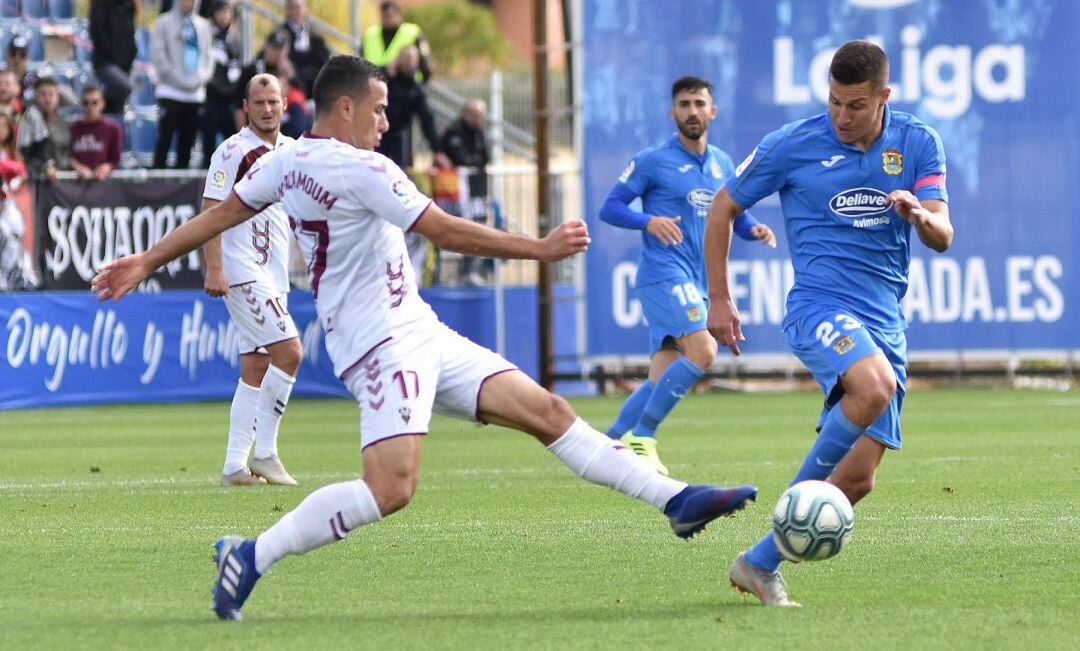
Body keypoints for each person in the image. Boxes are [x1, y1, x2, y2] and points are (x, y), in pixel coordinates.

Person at [91, 55, 758, 622]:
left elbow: (225, 211)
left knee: (548, 412)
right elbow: (442, 230)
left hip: (416, 329)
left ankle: (674, 500)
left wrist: (145, 262)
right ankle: (251, 553)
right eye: (379, 110)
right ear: (346, 108)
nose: (387, 122)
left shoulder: (286, 161)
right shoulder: (363, 169)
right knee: (390, 488)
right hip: (379, 346)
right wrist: (540, 247)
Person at [705, 41, 953, 606]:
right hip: (818, 306)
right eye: (835, 102)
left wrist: (918, 215)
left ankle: (757, 565)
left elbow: (944, 233)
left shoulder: (917, 142)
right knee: (874, 385)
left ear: (884, 97)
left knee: (859, 479)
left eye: (856, 105)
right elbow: (723, 207)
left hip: (884, 321)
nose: (842, 116)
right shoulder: (793, 144)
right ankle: (793, 501)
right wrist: (719, 299)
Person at [599, 76, 776, 475]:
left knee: (660, 376)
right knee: (704, 350)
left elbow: (735, 213)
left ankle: (607, 446)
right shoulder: (653, 160)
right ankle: (642, 438)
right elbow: (610, 208)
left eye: (699, 103)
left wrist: (754, 229)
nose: (692, 111)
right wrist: (648, 221)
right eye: (684, 104)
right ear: (672, 112)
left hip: (695, 281)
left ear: (712, 111)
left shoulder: (722, 164)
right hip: (664, 275)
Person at [201, 74, 300, 487]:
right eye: (258, 102)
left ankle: (233, 467)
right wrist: (215, 267)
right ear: (246, 106)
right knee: (290, 353)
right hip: (242, 271)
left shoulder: (295, 151)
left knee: (257, 364)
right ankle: (266, 453)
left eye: (272, 101)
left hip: (274, 273)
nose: (266, 109)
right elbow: (210, 208)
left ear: (283, 105)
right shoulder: (232, 151)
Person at [150, 0, 214, 169]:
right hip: (170, 90)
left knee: (188, 140)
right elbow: (158, 54)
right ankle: (158, 179)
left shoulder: (203, 25)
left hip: (194, 93)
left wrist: (200, 78)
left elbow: (208, 56)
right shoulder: (163, 22)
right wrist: (174, 77)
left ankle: (182, 180)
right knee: (165, 137)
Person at [440, 98, 490, 285]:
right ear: (465, 113)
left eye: (480, 116)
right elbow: (462, 159)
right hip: (457, 193)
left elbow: (485, 157)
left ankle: (470, 271)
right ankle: (446, 275)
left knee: (479, 227)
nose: (478, 120)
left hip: (477, 189)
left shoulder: (479, 133)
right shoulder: (454, 132)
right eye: (475, 115)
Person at [375, 46, 439, 169]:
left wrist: (436, 149)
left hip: (397, 138)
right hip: (377, 132)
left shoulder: (414, 88)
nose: (407, 62)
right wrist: (387, 75)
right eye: (405, 57)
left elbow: (426, 119)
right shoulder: (382, 75)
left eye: (411, 58)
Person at [200, 0, 241, 167]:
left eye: (226, 12)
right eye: (220, 12)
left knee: (232, 139)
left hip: (228, 98)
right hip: (211, 96)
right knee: (208, 139)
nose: (223, 16)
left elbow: (235, 67)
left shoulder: (234, 39)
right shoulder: (207, 35)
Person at [234, 30, 294, 130]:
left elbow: (302, 94)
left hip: (281, 124)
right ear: (266, 46)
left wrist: (289, 76)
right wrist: (242, 133)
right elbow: (238, 105)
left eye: (280, 48)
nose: (277, 52)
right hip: (255, 126)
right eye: (274, 48)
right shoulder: (252, 70)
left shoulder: (286, 69)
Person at [89, 0, 140, 116]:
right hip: (105, 61)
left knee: (119, 106)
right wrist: (113, 53)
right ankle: (103, 114)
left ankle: (112, 126)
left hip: (125, 62)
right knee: (124, 87)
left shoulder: (128, 5)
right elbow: (97, 33)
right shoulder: (100, 4)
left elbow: (130, 31)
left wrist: (132, 52)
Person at [361, 0, 431, 83]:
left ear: (398, 14)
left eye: (390, 14)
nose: (388, 18)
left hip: (406, 85)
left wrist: (421, 83)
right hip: (376, 85)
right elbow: (361, 61)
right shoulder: (370, 34)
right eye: (385, 15)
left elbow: (424, 62)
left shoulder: (412, 32)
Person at [18, 77, 71, 181]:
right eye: (43, 94)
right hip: (37, 181)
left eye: (51, 94)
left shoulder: (65, 124)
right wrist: (44, 166)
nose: (47, 99)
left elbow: (69, 153)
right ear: (36, 97)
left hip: (64, 180)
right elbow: (24, 153)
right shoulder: (28, 122)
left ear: (58, 97)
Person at [70, 85, 124, 181]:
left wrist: (107, 167)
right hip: (78, 184)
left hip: (104, 183)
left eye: (94, 102)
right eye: (86, 102)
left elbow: (115, 159)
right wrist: (78, 167)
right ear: (81, 104)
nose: (90, 107)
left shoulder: (113, 128)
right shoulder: (73, 128)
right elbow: (67, 156)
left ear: (102, 104)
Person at [279, 0, 329, 97]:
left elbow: (324, 59)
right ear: (287, 9)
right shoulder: (281, 34)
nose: (296, 11)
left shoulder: (315, 36)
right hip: (292, 86)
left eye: (299, 7)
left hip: (314, 85)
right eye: (292, 7)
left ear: (306, 8)